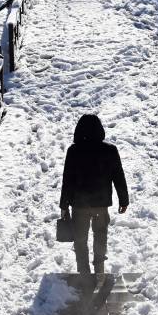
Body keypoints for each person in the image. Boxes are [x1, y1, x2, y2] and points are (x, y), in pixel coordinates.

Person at [59, 113, 129, 276]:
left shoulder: (73, 151)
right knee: (100, 236)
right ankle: (99, 270)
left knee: (80, 240)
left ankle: (84, 274)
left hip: (79, 205)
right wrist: (123, 200)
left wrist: (64, 205)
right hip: (101, 204)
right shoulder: (110, 150)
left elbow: (67, 180)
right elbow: (119, 176)